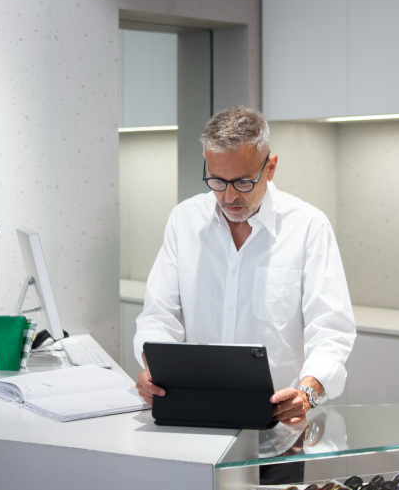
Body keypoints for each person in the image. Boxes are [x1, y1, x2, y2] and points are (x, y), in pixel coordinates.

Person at [133, 106, 356, 429]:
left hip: (278, 423)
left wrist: (307, 392)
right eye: (217, 181)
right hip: (192, 415)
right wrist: (151, 369)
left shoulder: (308, 227)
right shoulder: (184, 221)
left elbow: (332, 330)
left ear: (271, 168)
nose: (229, 196)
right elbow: (158, 315)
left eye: (243, 182)